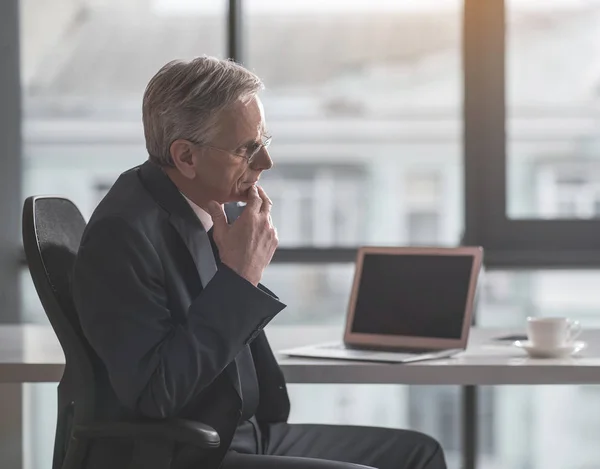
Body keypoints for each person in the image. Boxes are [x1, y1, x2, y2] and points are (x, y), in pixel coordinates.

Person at [72, 56, 447, 469]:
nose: (266, 163)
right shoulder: (124, 232)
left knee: (420, 454)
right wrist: (240, 276)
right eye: (246, 150)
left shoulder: (202, 208)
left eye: (264, 142)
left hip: (241, 432)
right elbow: (156, 393)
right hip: (187, 453)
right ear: (186, 158)